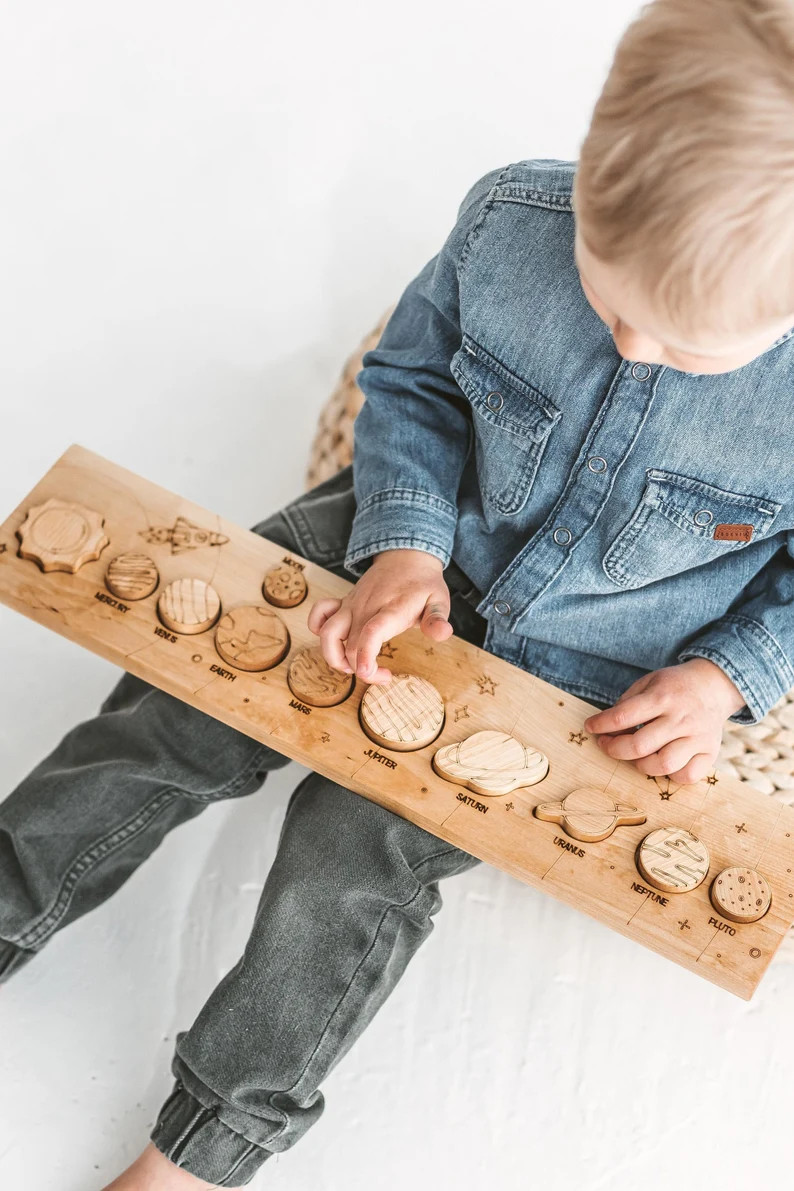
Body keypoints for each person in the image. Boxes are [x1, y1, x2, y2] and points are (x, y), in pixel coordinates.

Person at [4, 0, 794, 1186]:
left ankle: (202, 1146)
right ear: (587, 164)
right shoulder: (508, 218)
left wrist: (722, 678)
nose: (632, 348)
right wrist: (406, 543)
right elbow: (413, 382)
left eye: (686, 349)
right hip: (398, 540)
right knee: (170, 709)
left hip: (587, 661)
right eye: (606, 295)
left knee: (350, 866)